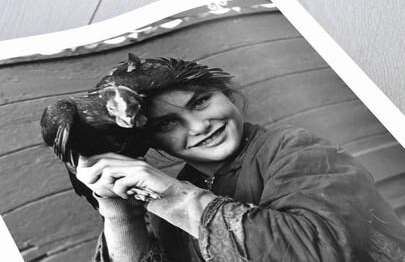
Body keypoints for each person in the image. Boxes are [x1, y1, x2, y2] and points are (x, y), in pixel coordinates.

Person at [74, 54, 405, 262]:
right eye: (168, 123)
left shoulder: (297, 150)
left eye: (200, 102)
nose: (200, 125)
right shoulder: (175, 193)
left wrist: (174, 196)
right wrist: (120, 212)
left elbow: (314, 252)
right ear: (150, 138)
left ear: (226, 93)